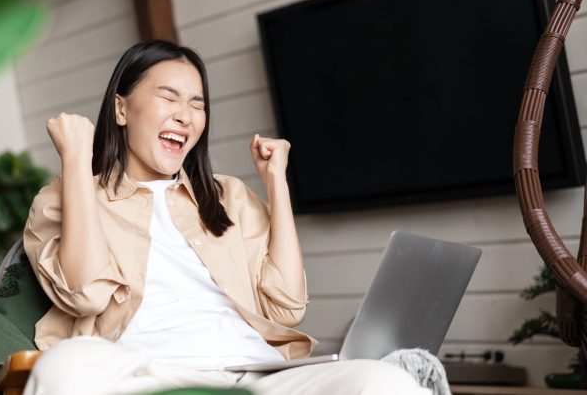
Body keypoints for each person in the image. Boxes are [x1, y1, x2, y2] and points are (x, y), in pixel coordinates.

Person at [22, 40, 429, 394]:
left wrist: (276, 184)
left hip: (256, 373)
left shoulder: (228, 196)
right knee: (66, 366)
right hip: (152, 374)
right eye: (169, 97)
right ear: (121, 109)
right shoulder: (65, 198)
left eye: (197, 104)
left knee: (386, 382)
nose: (186, 115)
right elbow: (85, 294)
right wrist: (76, 161)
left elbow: (287, 309)